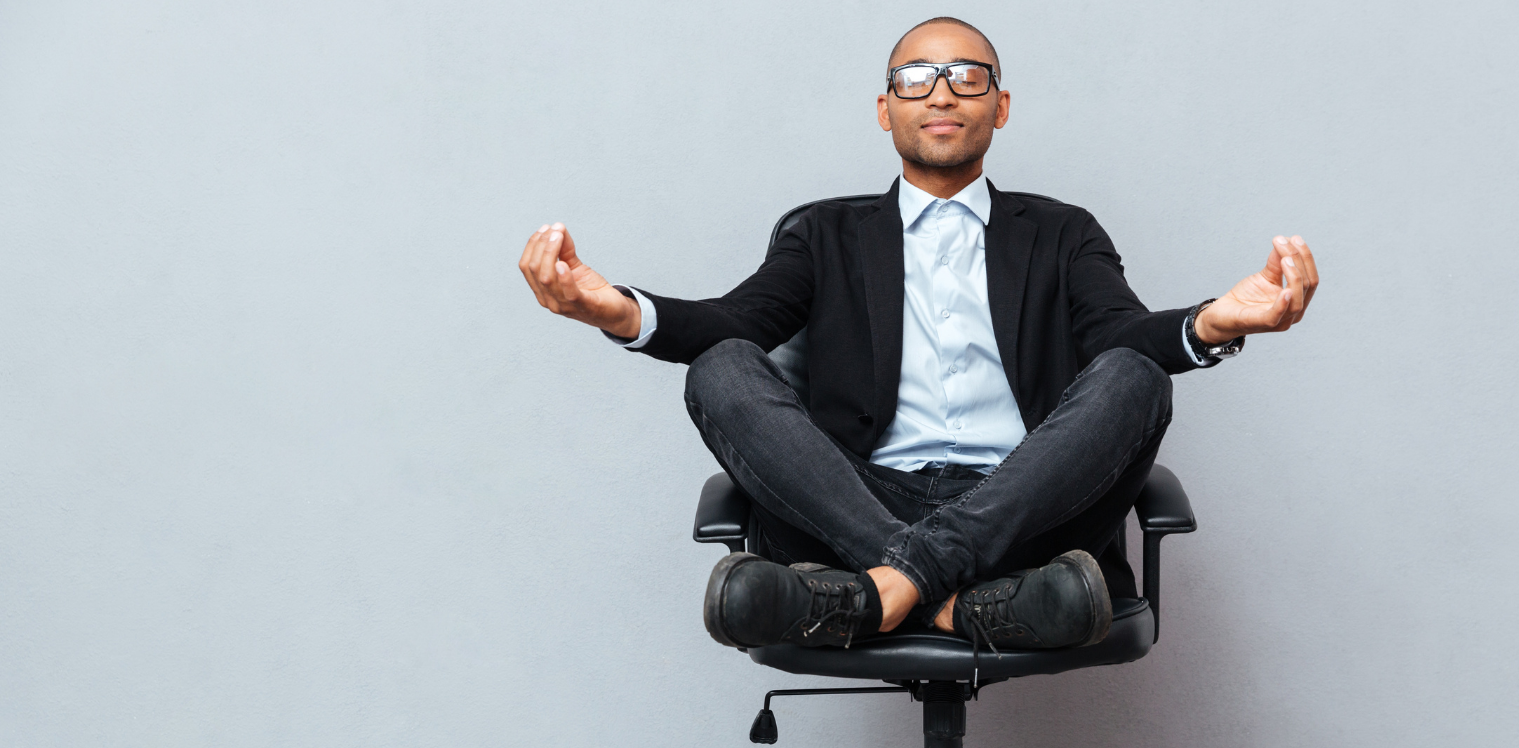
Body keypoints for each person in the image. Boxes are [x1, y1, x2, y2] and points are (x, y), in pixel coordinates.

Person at [518, 16, 1318, 657]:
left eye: (968, 77)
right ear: (885, 108)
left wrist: (1211, 324)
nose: (942, 93)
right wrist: (616, 310)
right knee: (722, 366)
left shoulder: (1063, 232)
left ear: (999, 106)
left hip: (1023, 505)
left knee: (1135, 375)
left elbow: (1120, 332)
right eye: (916, 78)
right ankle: (959, 604)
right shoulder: (824, 235)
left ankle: (877, 596)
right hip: (861, 498)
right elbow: (736, 323)